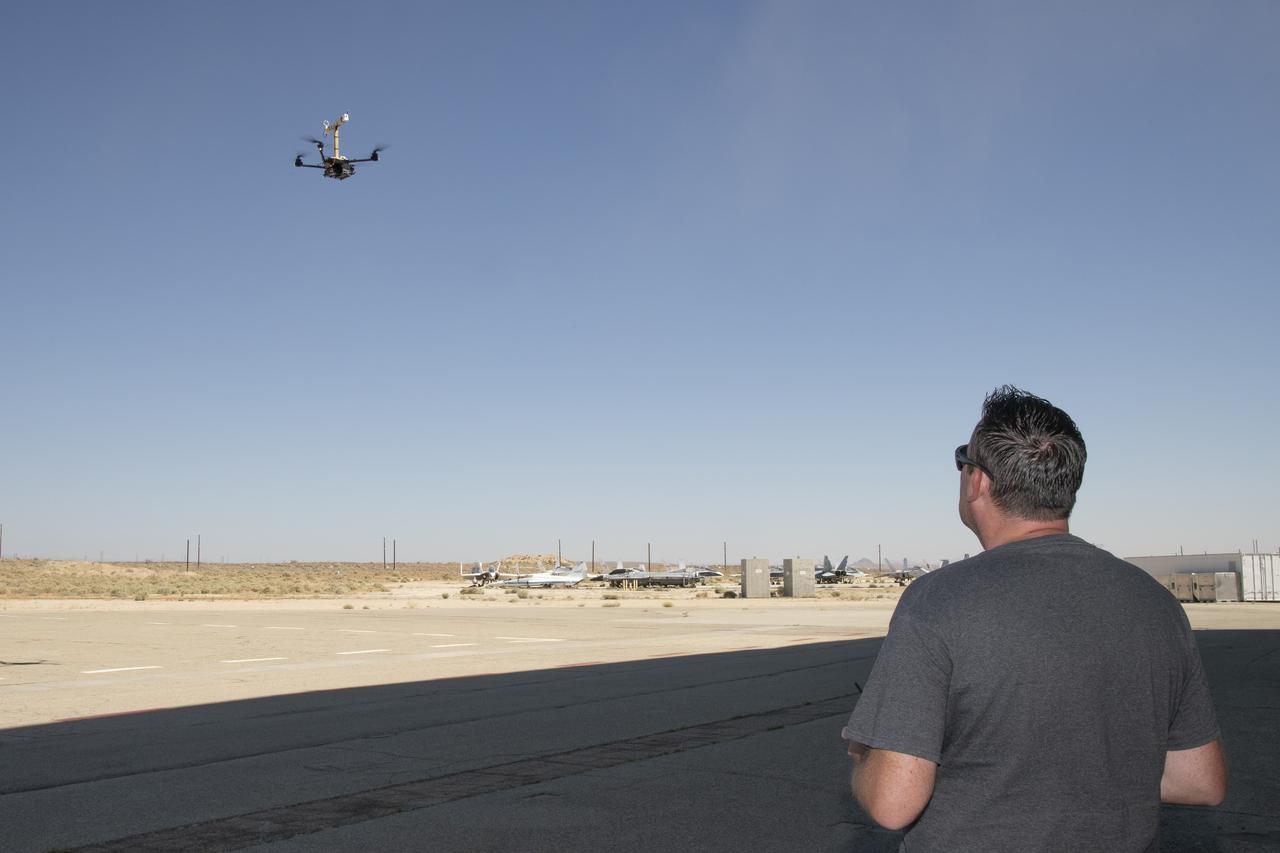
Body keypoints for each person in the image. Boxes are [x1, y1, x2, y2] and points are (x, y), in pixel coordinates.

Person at [842, 386, 1227, 852]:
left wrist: (868, 756)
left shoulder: (938, 600)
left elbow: (892, 803)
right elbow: (1197, 781)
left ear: (976, 481)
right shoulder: (1156, 603)